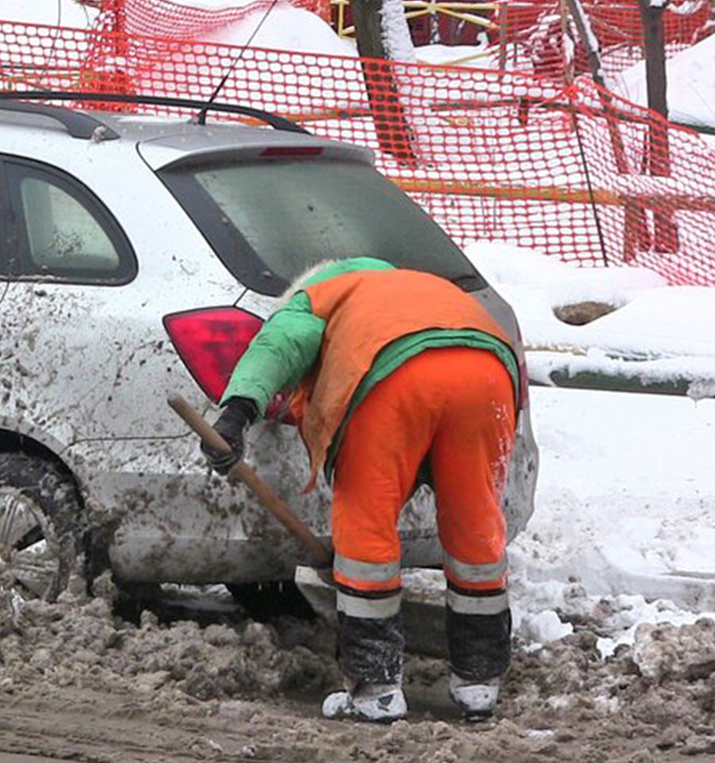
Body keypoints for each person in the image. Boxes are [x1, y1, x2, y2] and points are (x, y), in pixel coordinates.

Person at [201, 257, 520, 723]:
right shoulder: (413, 282)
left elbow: (278, 346)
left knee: (365, 533)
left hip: (393, 377)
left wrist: (236, 414)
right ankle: (479, 681)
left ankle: (376, 689)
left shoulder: (315, 299)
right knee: (476, 528)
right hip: (489, 373)